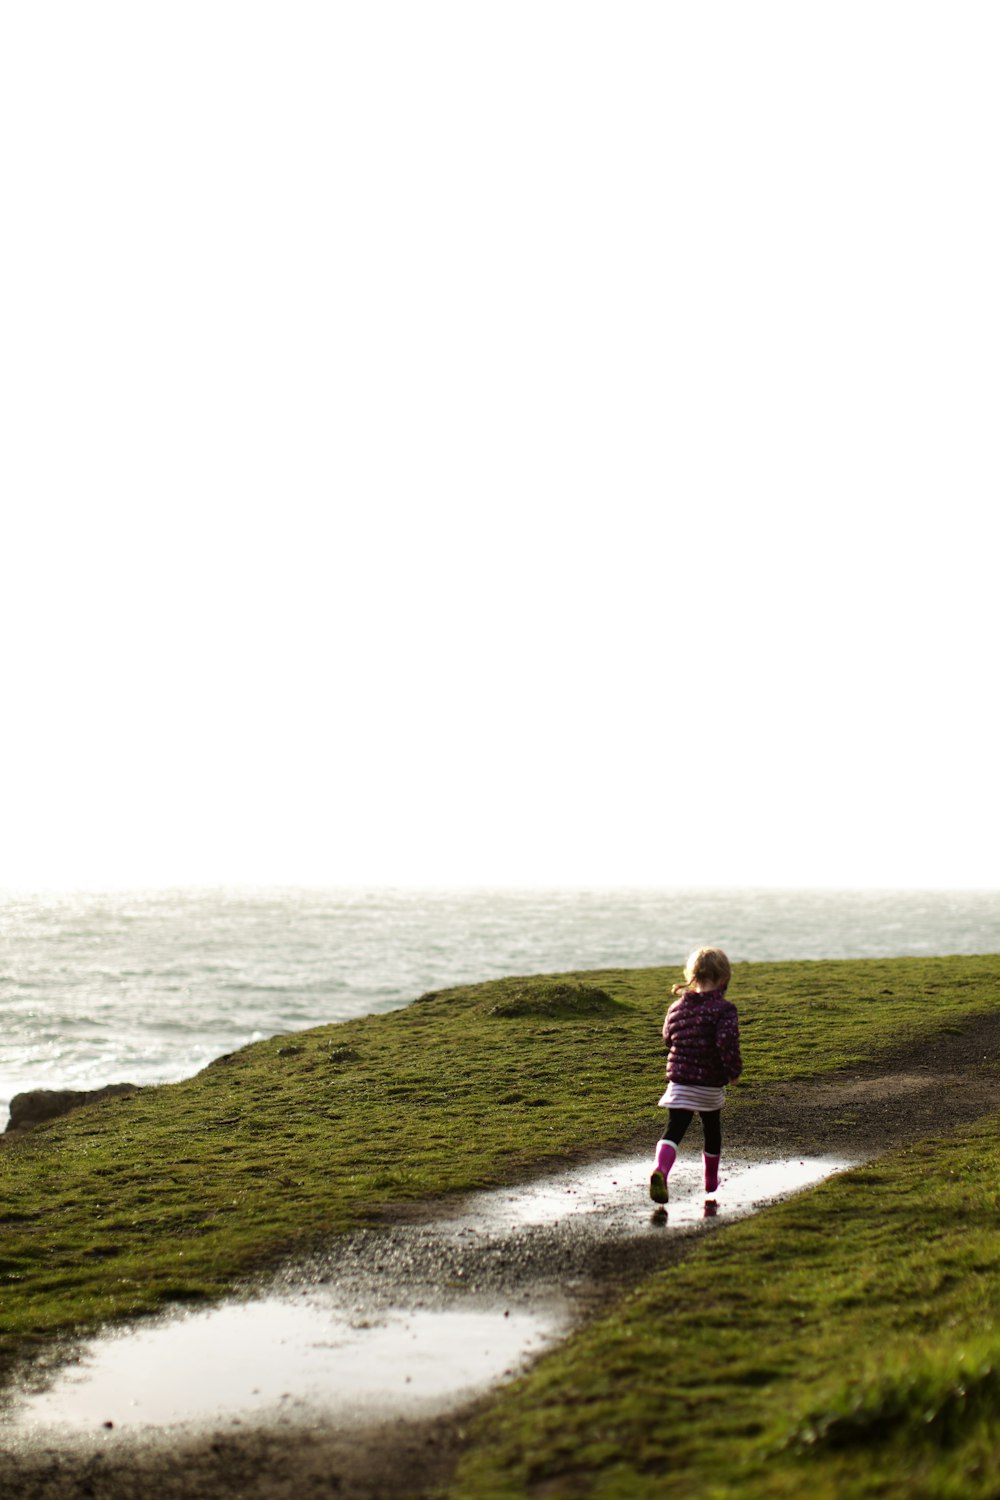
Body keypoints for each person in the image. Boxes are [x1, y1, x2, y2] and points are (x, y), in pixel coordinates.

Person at [650, 946, 742, 1204]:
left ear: (692, 975)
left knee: (674, 1129)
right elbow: (727, 1044)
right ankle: (711, 1182)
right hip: (709, 1083)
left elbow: (668, 1039)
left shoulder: (677, 1007)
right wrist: (733, 1071)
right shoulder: (724, 1010)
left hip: (679, 1082)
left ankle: (661, 1169)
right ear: (724, 978)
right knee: (711, 1130)